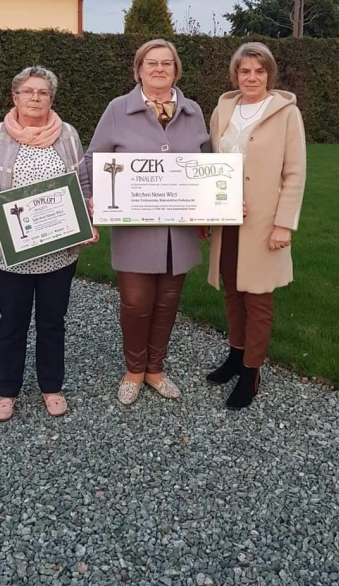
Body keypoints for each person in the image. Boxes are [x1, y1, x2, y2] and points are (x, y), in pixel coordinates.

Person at [85, 39, 209, 406]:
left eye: (166, 63)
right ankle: (134, 370)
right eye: (151, 62)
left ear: (176, 70)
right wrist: (93, 198)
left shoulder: (193, 111)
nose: (159, 68)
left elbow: (208, 164)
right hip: (135, 228)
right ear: (138, 70)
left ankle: (156, 369)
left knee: (168, 302)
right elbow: (92, 160)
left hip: (179, 230)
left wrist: (216, 204)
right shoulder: (117, 109)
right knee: (136, 302)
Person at [0, 66, 96, 422]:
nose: (35, 98)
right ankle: (7, 391)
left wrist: (87, 221)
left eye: (43, 92)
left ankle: (51, 387)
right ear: (15, 97)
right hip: (12, 250)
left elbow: (82, 185)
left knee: (52, 321)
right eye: (28, 91)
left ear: (51, 99)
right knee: (12, 322)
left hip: (59, 251)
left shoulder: (68, 134)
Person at [204, 42, 306, 410]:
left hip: (264, 222)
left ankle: (251, 371)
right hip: (228, 219)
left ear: (269, 74)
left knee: (258, 299)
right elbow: (210, 165)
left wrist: (284, 225)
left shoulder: (286, 113)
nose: (251, 77)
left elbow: (295, 172)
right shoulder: (223, 110)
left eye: (259, 71)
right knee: (233, 292)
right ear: (235, 74)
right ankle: (236, 355)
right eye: (244, 71)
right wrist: (208, 210)